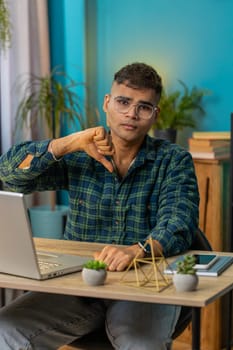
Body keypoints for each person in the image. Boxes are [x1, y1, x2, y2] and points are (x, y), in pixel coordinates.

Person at [0, 62, 199, 350]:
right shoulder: (79, 154)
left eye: (144, 107)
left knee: (139, 343)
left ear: (154, 115)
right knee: (6, 329)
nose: (131, 113)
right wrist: (67, 143)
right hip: (79, 282)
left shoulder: (174, 160)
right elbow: (9, 174)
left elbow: (179, 222)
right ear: (107, 103)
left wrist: (137, 250)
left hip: (143, 283)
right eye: (123, 102)